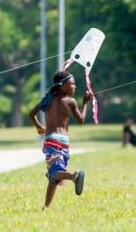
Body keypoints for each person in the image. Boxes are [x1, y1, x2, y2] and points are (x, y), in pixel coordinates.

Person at [29, 70, 92, 210]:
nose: (75, 86)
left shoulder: (47, 99)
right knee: (54, 176)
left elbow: (31, 114)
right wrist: (85, 103)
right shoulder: (71, 101)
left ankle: (74, 176)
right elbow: (81, 120)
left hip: (52, 141)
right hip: (64, 142)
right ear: (62, 85)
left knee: (54, 172)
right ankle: (46, 207)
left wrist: (39, 127)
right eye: (72, 83)